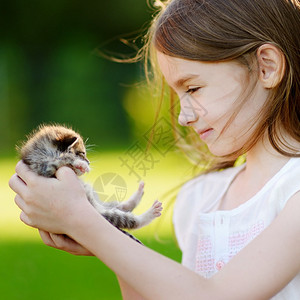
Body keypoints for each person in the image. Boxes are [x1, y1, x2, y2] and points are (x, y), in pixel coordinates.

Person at [9, 0, 300, 299]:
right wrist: (109, 235)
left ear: (267, 66)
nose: (182, 116)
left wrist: (81, 220)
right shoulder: (202, 198)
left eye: (193, 88)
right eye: (177, 94)